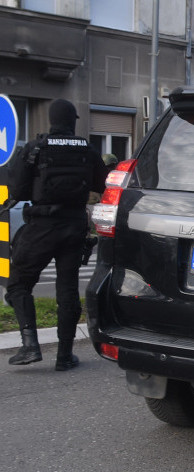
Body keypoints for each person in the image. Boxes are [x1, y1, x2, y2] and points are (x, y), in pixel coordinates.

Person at [4, 98, 108, 370]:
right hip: (74, 226)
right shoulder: (87, 149)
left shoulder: (36, 147)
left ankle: (30, 346)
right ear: (72, 121)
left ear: (51, 120)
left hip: (42, 225)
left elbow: (17, 189)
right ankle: (64, 355)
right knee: (68, 290)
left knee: (18, 284)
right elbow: (102, 183)